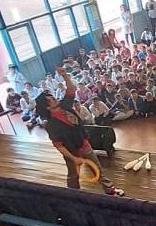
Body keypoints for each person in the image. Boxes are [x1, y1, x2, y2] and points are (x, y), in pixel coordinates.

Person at [34, 68, 124, 196]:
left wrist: (65, 75)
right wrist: (73, 158)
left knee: (97, 169)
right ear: (47, 106)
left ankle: (110, 190)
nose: (55, 99)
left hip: (84, 144)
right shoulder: (51, 124)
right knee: (73, 175)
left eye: (53, 97)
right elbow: (59, 145)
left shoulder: (64, 105)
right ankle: (73, 195)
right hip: (71, 151)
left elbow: (71, 90)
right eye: (51, 99)